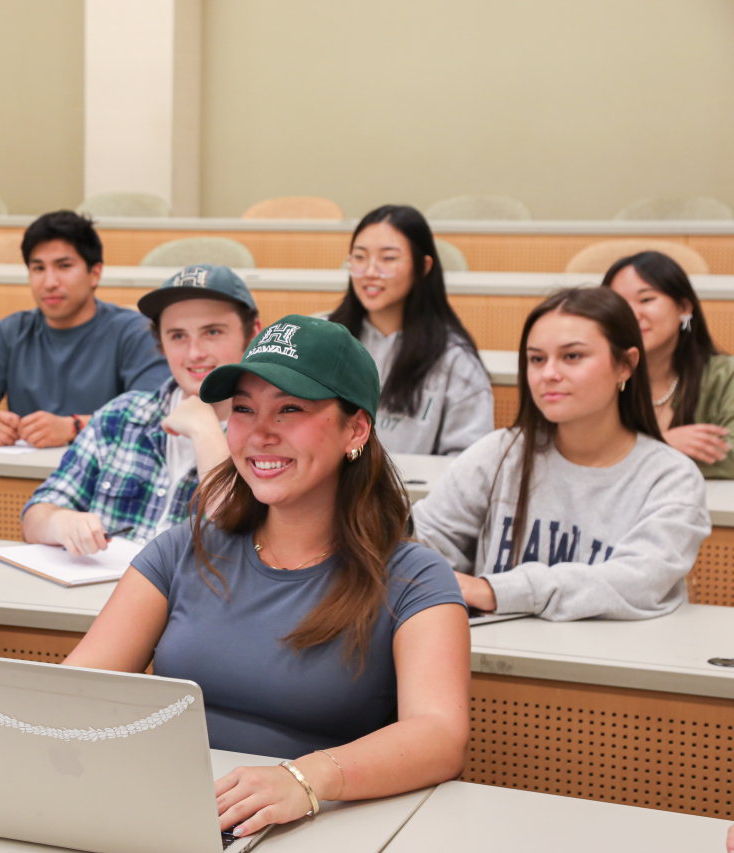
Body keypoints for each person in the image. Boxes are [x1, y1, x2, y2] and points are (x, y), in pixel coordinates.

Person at [63, 315, 469, 839]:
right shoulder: (183, 548)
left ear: (356, 429)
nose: (259, 433)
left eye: (291, 409)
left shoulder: (415, 578)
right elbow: (76, 691)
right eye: (243, 410)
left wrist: (304, 779)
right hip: (176, 817)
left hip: (322, 825)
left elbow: (440, 735)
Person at [413, 287, 710, 620]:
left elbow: (636, 582)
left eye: (572, 356)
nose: (549, 374)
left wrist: (496, 591)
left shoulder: (672, 478)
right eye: (537, 359)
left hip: (611, 664)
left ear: (625, 365)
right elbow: (422, 541)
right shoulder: (500, 453)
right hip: (494, 653)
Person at [21, 265, 261, 553]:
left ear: (252, 334)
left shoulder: (266, 434)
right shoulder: (120, 417)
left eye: (212, 332)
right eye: (177, 336)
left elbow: (238, 527)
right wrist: (60, 522)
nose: (195, 352)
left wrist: (203, 427)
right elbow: (34, 516)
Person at [0, 211, 171, 447]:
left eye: (64, 266)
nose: (49, 282)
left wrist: (74, 427)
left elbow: (154, 412)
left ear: (95, 273)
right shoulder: (11, 331)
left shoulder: (135, 332)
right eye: (38, 268)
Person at [328, 205, 493, 455]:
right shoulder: (324, 340)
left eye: (388, 259)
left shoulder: (454, 360)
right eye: (360, 258)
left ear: (423, 267)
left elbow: (470, 464)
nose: (370, 272)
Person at [603, 250, 734, 477]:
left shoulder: (724, 374)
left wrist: (631, 455)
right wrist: (661, 444)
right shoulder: (600, 374)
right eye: (621, 305)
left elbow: (729, 456)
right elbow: (578, 451)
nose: (633, 314)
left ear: (684, 307)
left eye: (646, 299)